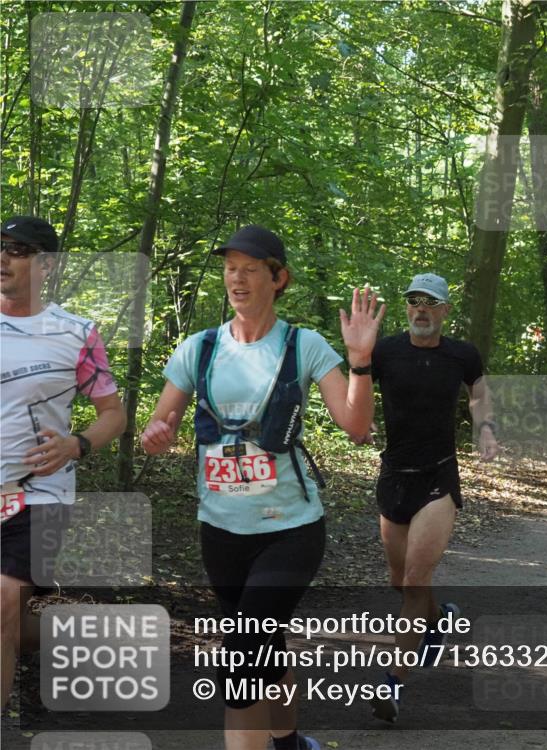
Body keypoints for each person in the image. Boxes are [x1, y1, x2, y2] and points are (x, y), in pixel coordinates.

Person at [141, 225, 384, 750]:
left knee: (243, 652)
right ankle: (291, 741)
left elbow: (356, 425)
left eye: (250, 268)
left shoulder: (305, 346)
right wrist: (157, 434)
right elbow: (161, 424)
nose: (237, 277)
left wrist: (361, 360)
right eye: (231, 267)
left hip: (291, 529)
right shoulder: (198, 349)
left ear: (279, 278)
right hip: (221, 529)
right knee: (264, 643)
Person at [1, 215, 126, 706]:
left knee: (5, 602)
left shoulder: (77, 333)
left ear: (46, 263)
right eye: (0, 247)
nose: (4, 257)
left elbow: (112, 414)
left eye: (18, 248)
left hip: (38, 490)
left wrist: (77, 444)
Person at [367, 272, 499, 723]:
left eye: (430, 303)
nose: (420, 309)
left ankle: (392, 685)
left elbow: (479, 391)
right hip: (394, 475)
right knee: (401, 583)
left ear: (444, 310)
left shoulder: (461, 354)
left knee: (416, 579)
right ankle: (439, 618)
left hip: (439, 478)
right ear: (406, 308)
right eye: (413, 302)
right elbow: (359, 386)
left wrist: (484, 427)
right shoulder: (385, 351)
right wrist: (359, 420)